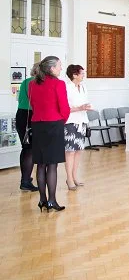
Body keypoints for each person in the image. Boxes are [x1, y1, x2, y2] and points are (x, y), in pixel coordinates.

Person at [29, 56, 70, 212]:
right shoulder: (59, 84)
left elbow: (33, 104)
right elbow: (64, 107)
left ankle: (42, 200)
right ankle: (52, 200)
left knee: (41, 164)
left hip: (37, 125)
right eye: (59, 66)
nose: (61, 68)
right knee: (52, 165)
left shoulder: (32, 84)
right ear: (52, 68)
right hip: (54, 125)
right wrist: (61, 121)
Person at [64, 65, 91, 190]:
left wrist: (86, 107)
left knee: (79, 150)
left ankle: (75, 176)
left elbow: (84, 102)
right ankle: (69, 178)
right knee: (70, 151)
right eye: (81, 73)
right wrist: (79, 108)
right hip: (71, 122)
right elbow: (64, 108)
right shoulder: (67, 87)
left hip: (82, 121)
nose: (83, 75)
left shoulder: (83, 87)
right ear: (74, 75)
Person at [15, 63, 39, 192]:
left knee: (26, 148)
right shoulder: (38, 83)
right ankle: (25, 181)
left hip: (21, 115)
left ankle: (25, 178)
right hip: (31, 116)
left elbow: (20, 100)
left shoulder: (25, 81)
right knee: (30, 150)